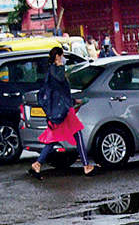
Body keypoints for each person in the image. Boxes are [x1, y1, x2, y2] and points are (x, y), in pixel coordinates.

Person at [30, 47, 94, 178]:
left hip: (61, 109)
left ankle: (37, 164)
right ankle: (86, 165)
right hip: (64, 110)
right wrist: (60, 66)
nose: (64, 59)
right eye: (62, 56)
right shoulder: (56, 71)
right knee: (77, 134)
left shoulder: (50, 71)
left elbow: (58, 92)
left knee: (54, 138)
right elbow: (60, 85)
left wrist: (75, 101)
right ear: (58, 56)